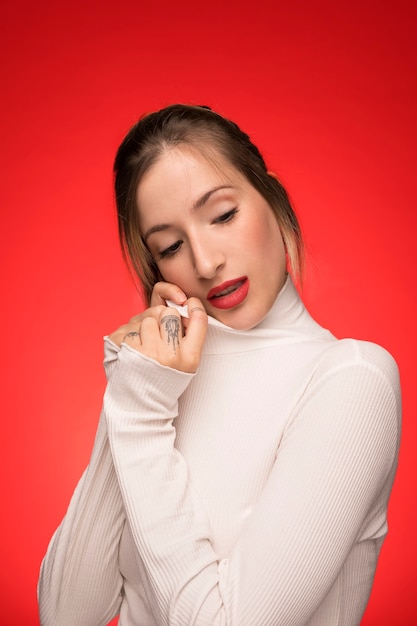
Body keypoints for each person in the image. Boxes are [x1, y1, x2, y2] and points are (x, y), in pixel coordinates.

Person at [38, 104, 401, 626]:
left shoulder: (351, 381)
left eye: (224, 215)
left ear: (271, 198)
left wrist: (139, 420)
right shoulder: (154, 383)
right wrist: (131, 389)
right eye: (171, 246)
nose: (206, 262)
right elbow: (65, 615)